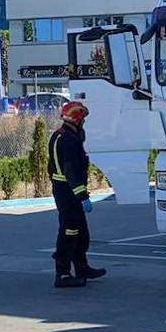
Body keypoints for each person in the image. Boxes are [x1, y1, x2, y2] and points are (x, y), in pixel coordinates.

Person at [49, 101, 105, 288]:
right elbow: (70, 169)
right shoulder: (69, 140)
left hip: (65, 189)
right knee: (69, 231)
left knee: (80, 231)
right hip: (68, 192)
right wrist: (82, 196)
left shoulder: (59, 135)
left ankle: (82, 268)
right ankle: (63, 274)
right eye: (84, 120)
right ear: (78, 120)